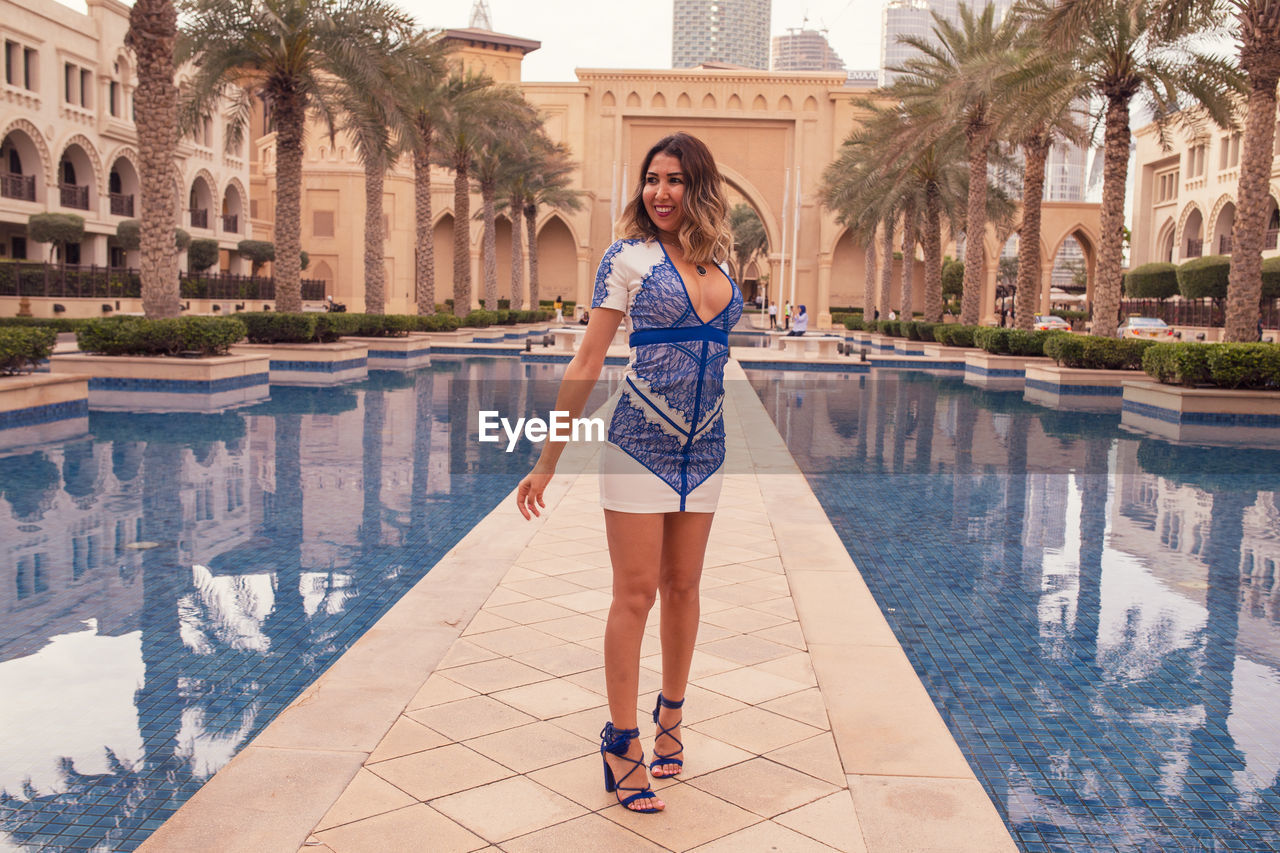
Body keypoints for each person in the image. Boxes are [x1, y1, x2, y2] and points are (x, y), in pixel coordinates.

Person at [515, 132, 741, 815]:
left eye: (674, 180)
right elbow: (588, 359)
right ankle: (621, 741)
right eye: (652, 179)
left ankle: (672, 714)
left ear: (697, 187)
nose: (660, 192)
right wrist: (549, 456)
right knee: (636, 594)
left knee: (685, 587)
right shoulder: (628, 258)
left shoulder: (719, 258)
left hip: (706, 450)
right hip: (640, 442)